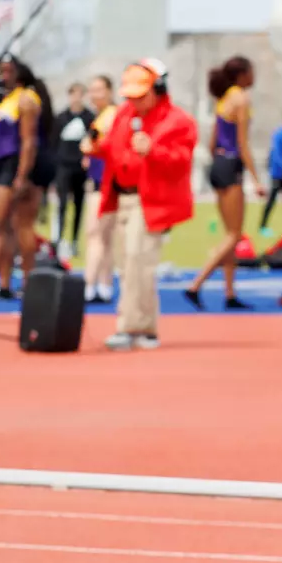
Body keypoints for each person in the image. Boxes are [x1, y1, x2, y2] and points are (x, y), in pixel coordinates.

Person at [96, 58, 196, 351]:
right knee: (128, 265)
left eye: (141, 95)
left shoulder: (177, 121)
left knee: (139, 258)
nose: (135, 102)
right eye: (131, 96)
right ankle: (146, 327)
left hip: (150, 201)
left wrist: (154, 151)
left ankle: (128, 327)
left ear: (159, 89)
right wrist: (97, 149)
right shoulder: (124, 116)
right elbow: (115, 150)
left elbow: (181, 160)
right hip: (122, 198)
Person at [0, 54, 55, 302]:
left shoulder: (26, 100)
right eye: (1, 71)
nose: (4, 76)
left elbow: (29, 141)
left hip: (16, 163)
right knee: (1, 225)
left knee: (15, 225)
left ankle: (21, 282)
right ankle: (4, 283)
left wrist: (22, 175)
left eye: (9, 71)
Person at [186, 56, 261, 311]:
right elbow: (242, 143)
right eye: (252, 71)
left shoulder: (223, 98)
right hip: (231, 165)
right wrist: (256, 179)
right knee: (235, 234)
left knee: (229, 232)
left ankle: (229, 293)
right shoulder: (241, 98)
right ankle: (196, 284)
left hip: (217, 165)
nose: (254, 76)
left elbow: (212, 139)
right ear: (242, 75)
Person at [79, 75, 118, 303]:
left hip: (104, 182)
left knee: (94, 233)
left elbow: (105, 146)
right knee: (104, 237)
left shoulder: (111, 116)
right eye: (91, 90)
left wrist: (91, 148)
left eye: (99, 89)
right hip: (99, 179)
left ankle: (89, 283)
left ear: (109, 91)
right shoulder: (99, 117)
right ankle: (104, 285)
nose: (94, 95)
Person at [51, 82, 94, 262]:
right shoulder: (61, 118)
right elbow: (53, 144)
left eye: (79, 94)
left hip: (80, 168)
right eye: (73, 94)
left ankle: (74, 241)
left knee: (78, 205)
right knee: (62, 205)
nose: (76, 98)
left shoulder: (89, 118)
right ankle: (59, 240)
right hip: (64, 167)